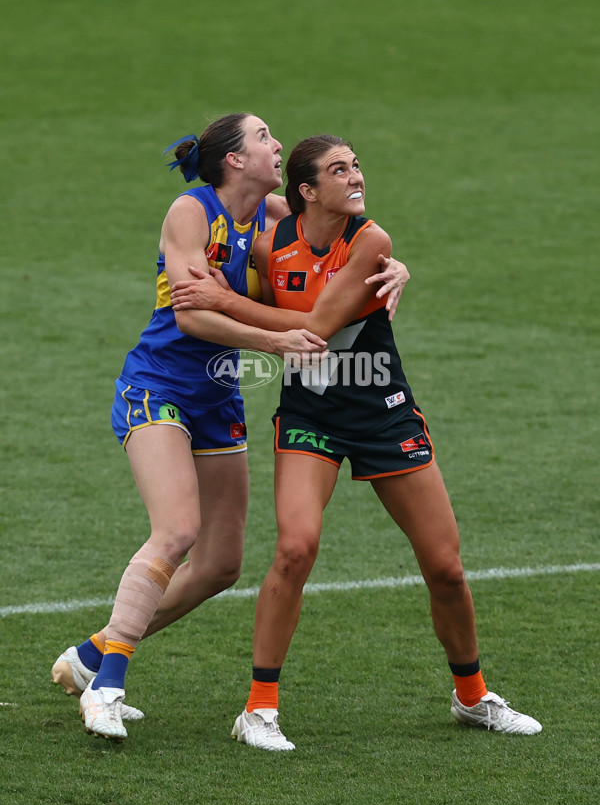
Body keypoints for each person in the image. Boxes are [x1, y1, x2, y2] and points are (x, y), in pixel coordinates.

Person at [170, 134, 542, 751]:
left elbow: (316, 328)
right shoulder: (269, 246)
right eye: (338, 170)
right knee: (295, 548)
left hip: (383, 415)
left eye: (356, 165)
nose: (355, 176)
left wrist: (225, 300)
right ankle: (258, 709)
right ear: (307, 191)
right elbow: (245, 298)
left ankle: (473, 697)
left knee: (446, 568)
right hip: (309, 416)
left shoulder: (371, 241)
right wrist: (221, 295)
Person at [51, 114, 409, 741]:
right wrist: (276, 342)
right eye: (265, 138)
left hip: (218, 397)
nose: (278, 146)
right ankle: (107, 685)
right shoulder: (190, 213)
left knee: (220, 564)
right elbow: (192, 316)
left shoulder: (272, 215)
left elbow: (339, 238)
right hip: (157, 386)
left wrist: (399, 266)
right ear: (234, 160)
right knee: (179, 531)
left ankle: (89, 656)